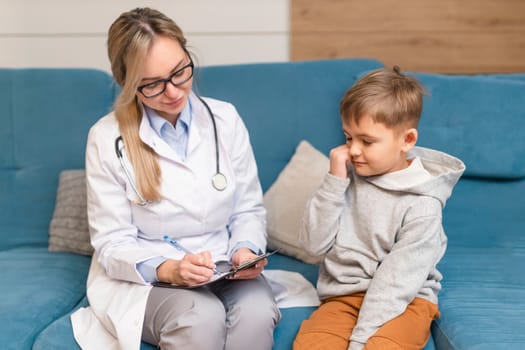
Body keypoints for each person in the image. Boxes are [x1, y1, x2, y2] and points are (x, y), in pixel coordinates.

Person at [70, 7, 280, 350]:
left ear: (187, 55)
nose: (173, 92)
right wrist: (170, 270)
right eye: (152, 84)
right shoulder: (106, 138)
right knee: (200, 315)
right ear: (128, 84)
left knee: (256, 312)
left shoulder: (224, 119)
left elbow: (248, 211)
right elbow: (112, 243)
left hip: (224, 263)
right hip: (149, 275)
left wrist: (246, 251)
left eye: (179, 72)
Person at [293, 67, 465, 350]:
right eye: (348, 137)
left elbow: (396, 283)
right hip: (344, 296)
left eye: (367, 141)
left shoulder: (423, 203)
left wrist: (359, 342)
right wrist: (334, 182)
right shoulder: (344, 179)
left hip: (405, 300)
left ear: (407, 140)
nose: (354, 150)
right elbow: (313, 247)